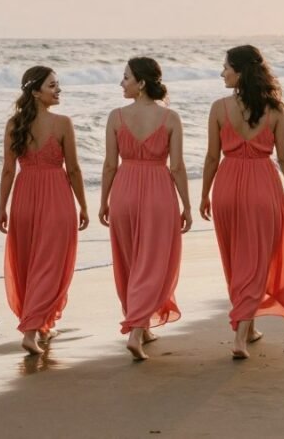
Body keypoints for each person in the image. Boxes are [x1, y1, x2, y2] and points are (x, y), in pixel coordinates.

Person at [200, 45, 284, 360]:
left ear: (240, 71)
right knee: (257, 258)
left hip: (228, 185)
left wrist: (205, 193)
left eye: (226, 67)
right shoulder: (274, 110)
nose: (222, 73)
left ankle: (246, 326)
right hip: (263, 185)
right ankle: (240, 335)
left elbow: (211, 157)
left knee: (236, 259)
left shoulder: (219, 108)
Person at [99, 57, 192, 360]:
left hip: (124, 191)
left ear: (141, 83)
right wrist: (187, 205)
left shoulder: (116, 117)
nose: (121, 83)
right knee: (154, 262)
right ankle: (137, 331)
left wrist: (104, 200)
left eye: (126, 78)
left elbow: (110, 164)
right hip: (158, 192)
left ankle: (142, 325)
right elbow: (176, 166)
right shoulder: (170, 118)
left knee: (129, 260)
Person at [0, 66, 89, 355]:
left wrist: (2, 207)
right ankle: (32, 329)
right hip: (56, 197)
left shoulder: (14, 124)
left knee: (28, 262)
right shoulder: (62, 123)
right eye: (52, 85)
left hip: (24, 196)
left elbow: (8, 170)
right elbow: (73, 169)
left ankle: (41, 324)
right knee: (51, 263)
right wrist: (83, 204)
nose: (58, 89)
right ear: (35, 91)